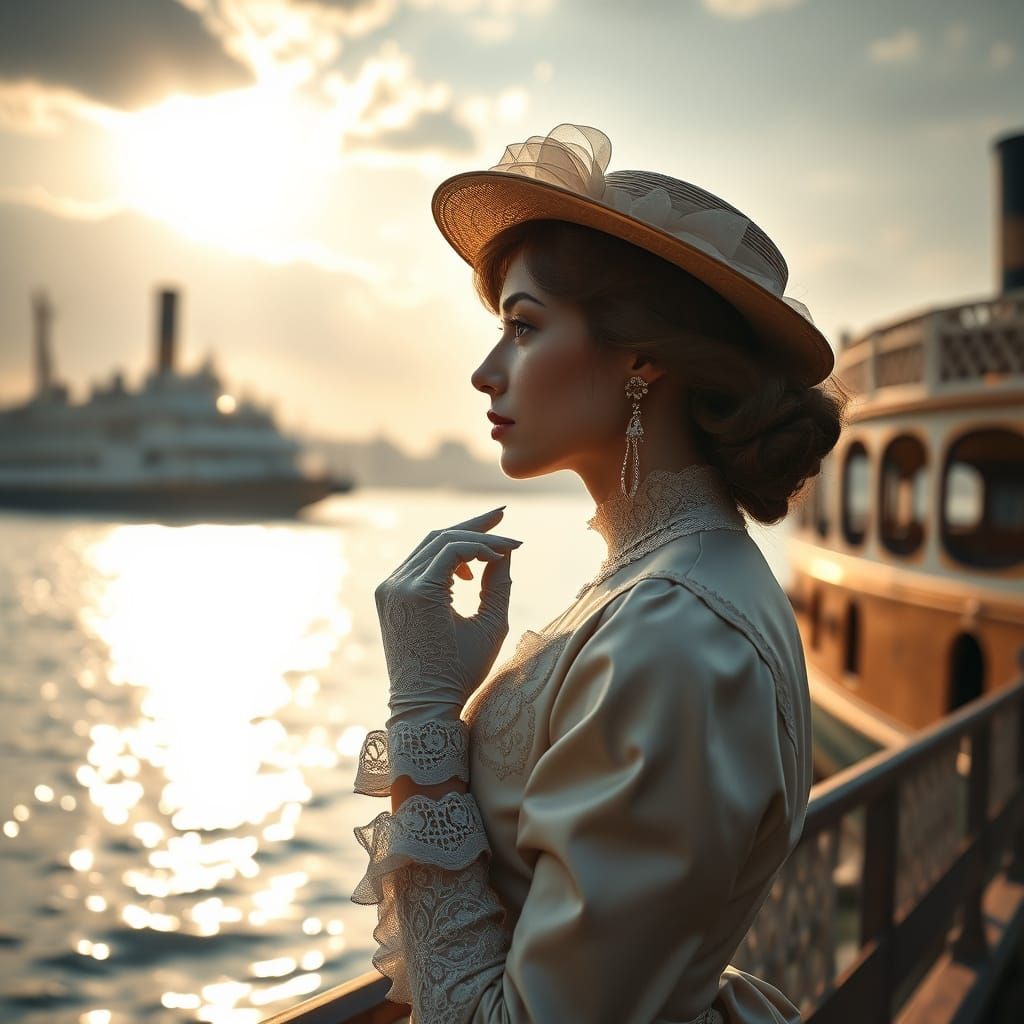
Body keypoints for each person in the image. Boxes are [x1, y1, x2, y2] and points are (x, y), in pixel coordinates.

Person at [351, 124, 848, 1023]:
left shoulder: (679, 632)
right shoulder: (663, 582)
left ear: (642, 355)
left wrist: (423, 707)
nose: (485, 372)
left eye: (524, 327)